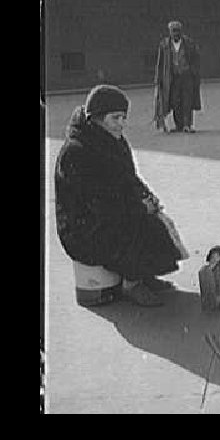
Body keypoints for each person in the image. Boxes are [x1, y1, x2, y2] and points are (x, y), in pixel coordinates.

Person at [55, 85, 189, 307]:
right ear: (96, 118)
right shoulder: (77, 151)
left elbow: (129, 178)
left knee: (153, 221)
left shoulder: (113, 139)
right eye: (115, 118)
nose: (121, 123)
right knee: (131, 223)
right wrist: (138, 207)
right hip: (81, 227)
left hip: (105, 211)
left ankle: (142, 274)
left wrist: (148, 197)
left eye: (123, 117)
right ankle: (132, 283)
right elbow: (99, 202)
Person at [153, 21, 202, 133]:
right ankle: (179, 125)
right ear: (169, 32)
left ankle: (187, 125)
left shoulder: (189, 43)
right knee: (175, 101)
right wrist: (158, 78)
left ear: (181, 31)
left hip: (187, 76)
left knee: (187, 100)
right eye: (173, 31)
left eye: (177, 31)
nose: (175, 33)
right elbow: (160, 63)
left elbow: (196, 59)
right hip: (172, 77)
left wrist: (194, 73)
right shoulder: (164, 44)